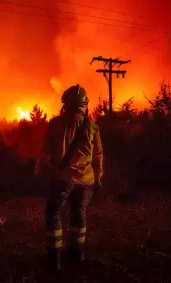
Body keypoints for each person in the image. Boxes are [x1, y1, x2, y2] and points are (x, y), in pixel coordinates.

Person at [35, 84, 104, 271]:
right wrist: (98, 177)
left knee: (54, 214)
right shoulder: (92, 126)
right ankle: (77, 254)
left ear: (65, 103)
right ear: (84, 104)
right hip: (86, 180)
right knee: (78, 213)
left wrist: (41, 166)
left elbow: (46, 151)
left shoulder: (56, 124)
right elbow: (98, 155)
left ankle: (54, 260)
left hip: (62, 179)